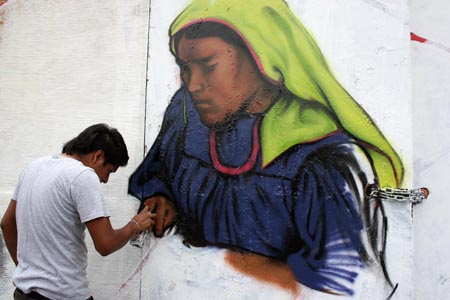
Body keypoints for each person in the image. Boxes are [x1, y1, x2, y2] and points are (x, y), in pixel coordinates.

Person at [128, 0, 404, 297]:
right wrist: (161, 194)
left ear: (262, 57)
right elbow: (161, 168)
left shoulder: (325, 160)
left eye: (208, 66)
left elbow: (354, 285)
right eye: (185, 67)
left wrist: (223, 267)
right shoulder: (185, 114)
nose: (193, 84)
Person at [1, 123, 155, 300]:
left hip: (23, 292)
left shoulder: (33, 168)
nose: (105, 180)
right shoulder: (82, 176)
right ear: (98, 156)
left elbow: (6, 224)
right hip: (61, 294)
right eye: (109, 171)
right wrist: (134, 224)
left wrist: (25, 270)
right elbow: (105, 244)